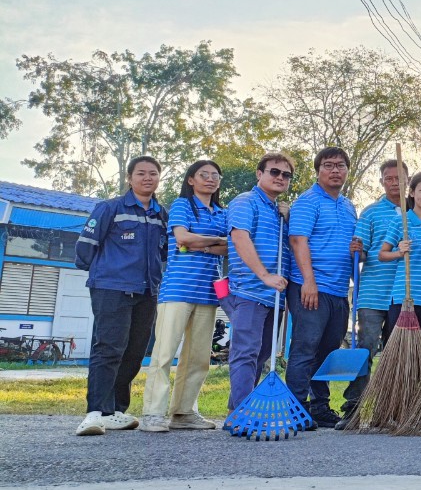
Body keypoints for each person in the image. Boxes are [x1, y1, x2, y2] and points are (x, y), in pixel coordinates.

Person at [74, 156, 168, 436]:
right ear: (130, 178)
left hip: (147, 291)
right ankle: (94, 413)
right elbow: (85, 248)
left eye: (153, 173)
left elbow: (163, 253)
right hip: (112, 289)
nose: (147, 178)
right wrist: (106, 273)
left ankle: (115, 411)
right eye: (141, 173)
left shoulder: (161, 214)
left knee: (135, 351)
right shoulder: (109, 208)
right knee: (109, 348)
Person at [140, 160, 229, 433]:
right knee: (164, 353)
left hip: (208, 292)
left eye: (215, 175)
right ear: (191, 180)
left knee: (199, 356)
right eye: (204, 175)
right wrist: (212, 241)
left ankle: (184, 412)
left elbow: (226, 249)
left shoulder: (222, 213)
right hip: (177, 289)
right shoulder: (182, 205)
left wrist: (202, 242)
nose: (210, 180)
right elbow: (182, 238)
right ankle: (153, 413)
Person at [286, 147, 361, 429]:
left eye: (340, 165)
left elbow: (350, 245)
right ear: (318, 170)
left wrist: (357, 249)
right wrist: (308, 281)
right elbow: (298, 241)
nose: (335, 170)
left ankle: (319, 407)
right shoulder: (308, 202)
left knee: (327, 350)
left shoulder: (348, 205)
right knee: (306, 347)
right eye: (328, 165)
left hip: (339, 290)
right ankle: (296, 407)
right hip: (310, 286)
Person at [338, 159, 409, 429]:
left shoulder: (416, 213)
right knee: (365, 349)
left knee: (397, 353)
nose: (394, 183)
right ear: (382, 182)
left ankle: (392, 410)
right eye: (388, 178)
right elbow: (362, 251)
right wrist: (357, 249)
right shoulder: (370, 212)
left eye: (399, 178)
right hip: (371, 293)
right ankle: (353, 409)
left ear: (407, 180)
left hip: (403, 295)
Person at [222, 153, 293, 415]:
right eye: (274, 172)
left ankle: (238, 409)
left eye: (286, 175)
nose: (280, 178)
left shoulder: (279, 211)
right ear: (259, 174)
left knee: (261, 355)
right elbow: (240, 238)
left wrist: (288, 216)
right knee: (245, 353)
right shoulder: (245, 201)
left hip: (274, 295)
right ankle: (243, 412)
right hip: (249, 291)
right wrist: (264, 275)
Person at [380, 171, 421, 340]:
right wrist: (399, 252)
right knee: (397, 350)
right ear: (412, 192)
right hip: (403, 297)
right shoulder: (401, 221)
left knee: (419, 352)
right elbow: (382, 254)